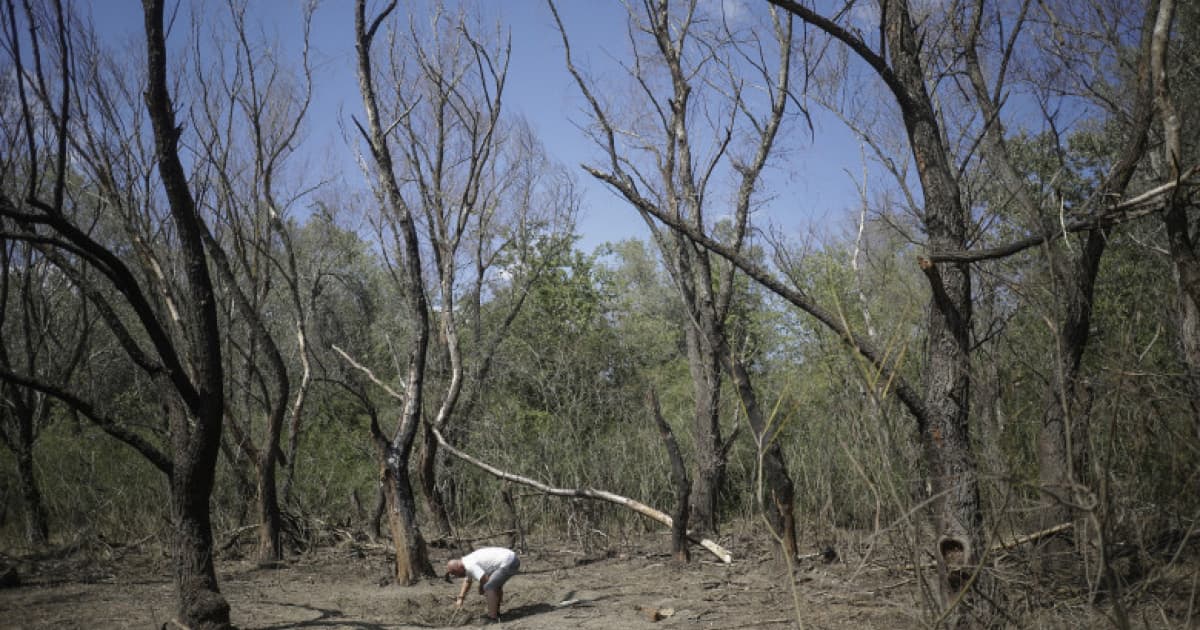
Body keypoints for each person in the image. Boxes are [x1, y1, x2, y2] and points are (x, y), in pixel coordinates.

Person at [447, 546, 520, 622]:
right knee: (494, 585)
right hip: (509, 558)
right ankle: (496, 612)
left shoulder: (469, 565)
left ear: (458, 568)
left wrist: (481, 588)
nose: (457, 576)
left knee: (489, 587)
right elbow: (468, 581)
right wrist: (460, 598)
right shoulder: (465, 562)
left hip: (510, 562)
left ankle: (493, 618)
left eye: (455, 573)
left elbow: (484, 579)